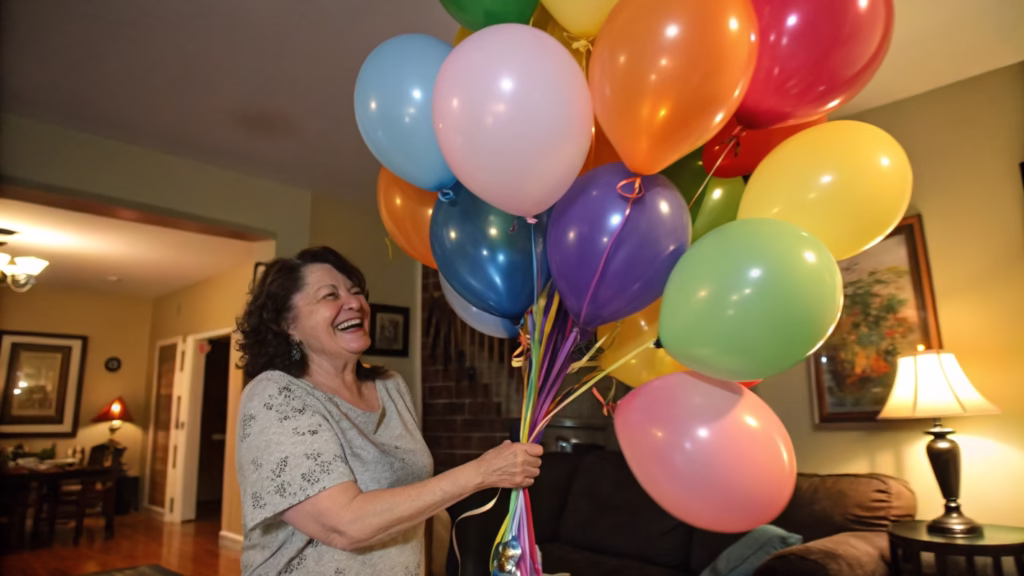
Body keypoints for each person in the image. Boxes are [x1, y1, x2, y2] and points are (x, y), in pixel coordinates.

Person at [235, 246, 542, 576]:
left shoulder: (390, 386)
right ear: (288, 323)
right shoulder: (274, 395)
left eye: (355, 291)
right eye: (330, 295)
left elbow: (415, 507)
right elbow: (344, 525)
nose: (354, 303)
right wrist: (482, 473)